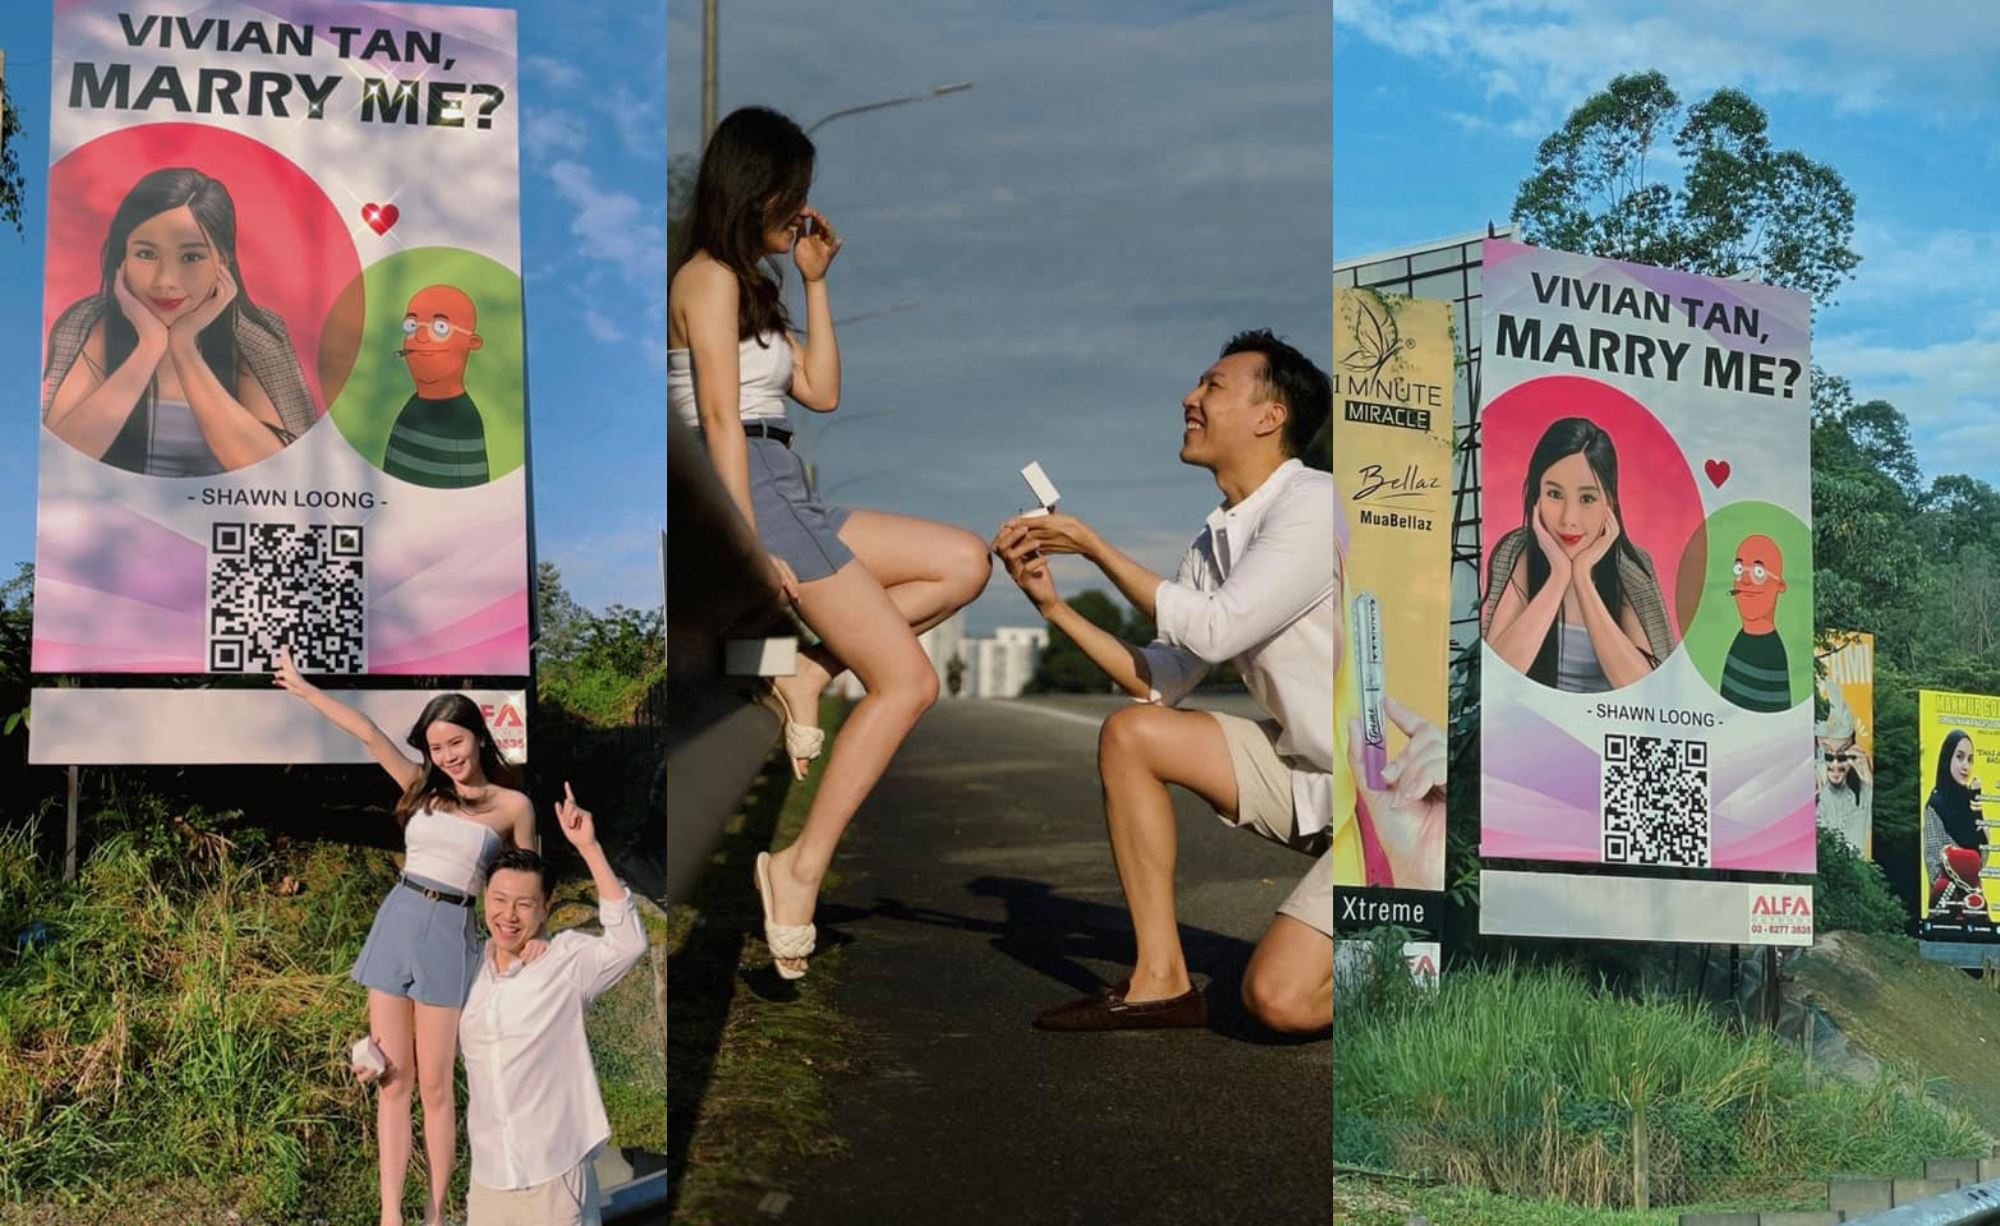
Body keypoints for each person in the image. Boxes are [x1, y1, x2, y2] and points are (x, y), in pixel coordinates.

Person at [668, 106, 989, 979]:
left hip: (785, 482)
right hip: (748, 491)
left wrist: (814, 279)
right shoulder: (705, 278)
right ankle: (798, 867)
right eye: (794, 196)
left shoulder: (756, 284)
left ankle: (808, 667)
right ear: (754, 188)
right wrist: (742, 543)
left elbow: (822, 392)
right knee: (908, 681)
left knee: (966, 560)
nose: (803, 211)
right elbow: (725, 423)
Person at [992, 329, 1333, 1033]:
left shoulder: (1316, 504)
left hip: (1397, 801)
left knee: (1281, 1001)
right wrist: (1052, 605)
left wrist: (1094, 546)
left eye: (1212, 386)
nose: (1190, 397)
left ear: (1271, 418)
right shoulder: (1215, 539)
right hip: (1314, 779)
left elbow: (1215, 629)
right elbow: (1163, 680)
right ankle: (1162, 982)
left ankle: (1453, 955)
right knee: (1134, 733)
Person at [277, 651, 538, 1226]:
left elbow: (526, 888)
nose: (447, 757)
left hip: (452, 932)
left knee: (436, 1088)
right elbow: (368, 733)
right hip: (397, 920)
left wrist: (522, 947)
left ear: (479, 737)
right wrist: (304, 689)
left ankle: (437, 1213)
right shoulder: (423, 788)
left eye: (456, 744)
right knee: (392, 1078)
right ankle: (391, 1215)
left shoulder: (512, 806)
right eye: (437, 748)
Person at [442, 784, 647, 1225]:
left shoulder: (565, 961)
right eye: (498, 901)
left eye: (523, 904)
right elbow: (423, 1030)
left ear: (545, 907)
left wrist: (589, 848)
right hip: (489, 1181)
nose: (508, 916)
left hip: (555, 1178)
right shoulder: (467, 967)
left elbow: (629, 944)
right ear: (484, 901)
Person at [42, 166, 316, 476]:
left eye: (191, 257)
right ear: (123, 259)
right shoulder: (88, 324)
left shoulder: (254, 334)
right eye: (146, 254)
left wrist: (184, 348)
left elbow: (278, 474)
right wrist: (149, 348)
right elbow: (55, 463)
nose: (165, 281)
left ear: (222, 261)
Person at [1481, 417, 1674, 692]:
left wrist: (1582, 578)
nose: (1568, 519)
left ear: (1610, 501)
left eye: (1587, 499)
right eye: (1554, 494)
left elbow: (1645, 688)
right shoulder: (1518, 554)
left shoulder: (1630, 569)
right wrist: (1559, 577)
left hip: (1608, 732)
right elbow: (1496, 677)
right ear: (1536, 497)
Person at [384, 285, 490, 488]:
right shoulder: (411, 409)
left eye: (440, 328)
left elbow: (474, 498)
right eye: (411, 326)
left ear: (472, 342)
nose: (420, 337)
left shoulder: (463, 421)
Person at [1719, 534, 1793, 712]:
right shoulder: (1740, 642)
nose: (1745, 580)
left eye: (1758, 573)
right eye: (1739, 569)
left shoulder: (1772, 653)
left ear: (1780, 586)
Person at [1925, 729, 1987, 919]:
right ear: (1946, 759)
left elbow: (1983, 856)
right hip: (1946, 901)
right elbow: (1933, 860)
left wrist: (1976, 808)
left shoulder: (1969, 803)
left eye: (1970, 759)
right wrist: (1953, 893)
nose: (1965, 766)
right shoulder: (1936, 805)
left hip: (1975, 902)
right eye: (1959, 757)